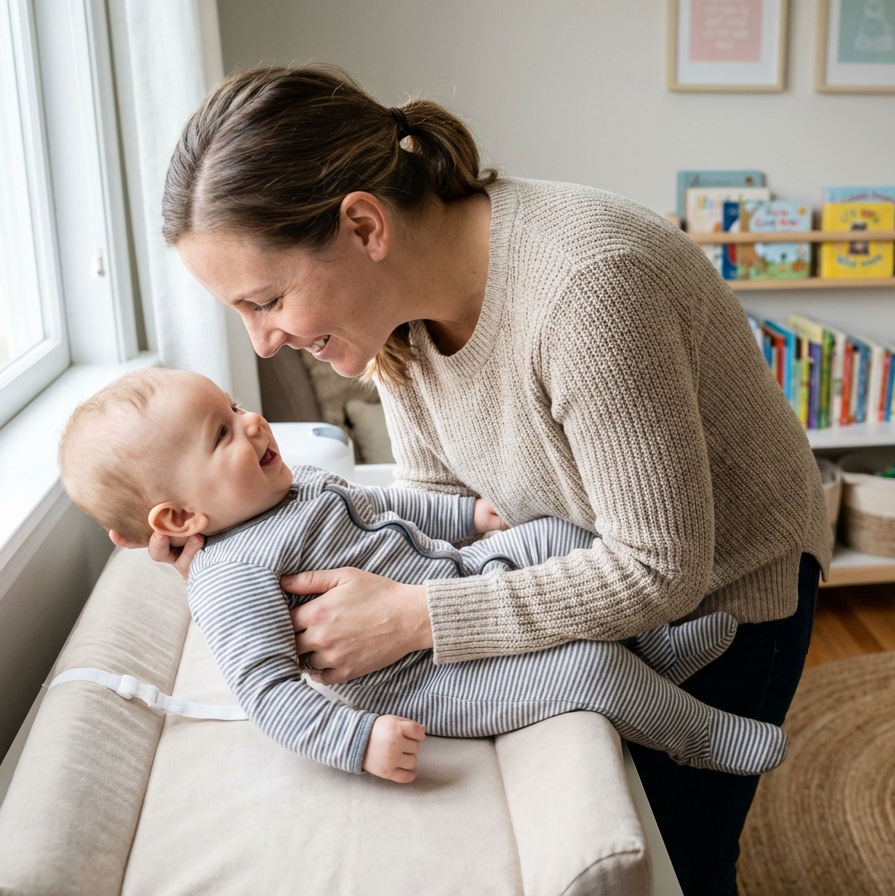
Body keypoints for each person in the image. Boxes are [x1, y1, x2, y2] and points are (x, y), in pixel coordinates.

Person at [126, 64, 832, 894]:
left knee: (686, 864)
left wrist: (412, 616)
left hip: (723, 594)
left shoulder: (588, 290)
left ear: (363, 226)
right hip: (585, 559)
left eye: (267, 299)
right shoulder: (395, 313)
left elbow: (661, 569)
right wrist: (233, 550)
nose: (263, 343)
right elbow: (441, 504)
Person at [60, 367, 786, 782]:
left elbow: (384, 505)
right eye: (222, 432)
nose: (252, 422)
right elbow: (268, 692)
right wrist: (358, 743)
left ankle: (655, 650)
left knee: (566, 536)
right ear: (178, 517)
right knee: (588, 670)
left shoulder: (291, 485)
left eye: (236, 406)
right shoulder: (230, 575)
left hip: (452, 578)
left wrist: (467, 517)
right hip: (423, 676)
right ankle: (697, 734)